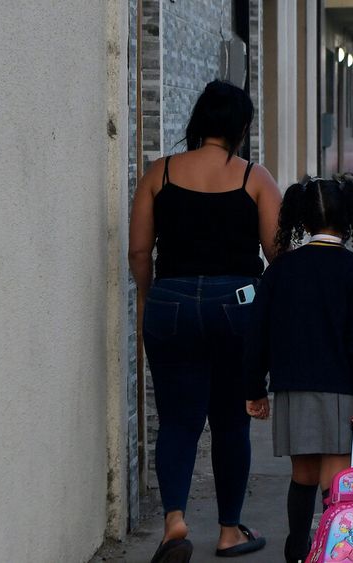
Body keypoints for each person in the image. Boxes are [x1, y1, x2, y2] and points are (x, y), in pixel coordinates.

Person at [129, 80, 282, 563]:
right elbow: (277, 254)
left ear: (199, 121)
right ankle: (229, 531)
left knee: (177, 420)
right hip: (237, 305)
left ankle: (174, 521)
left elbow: (139, 252)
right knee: (232, 422)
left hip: (171, 301)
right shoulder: (254, 178)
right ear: (241, 127)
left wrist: (150, 297)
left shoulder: (159, 173)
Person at [243, 176, 353, 563]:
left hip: (293, 389)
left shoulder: (280, 270)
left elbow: (258, 334)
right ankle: (333, 553)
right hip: (341, 390)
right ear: (350, 218)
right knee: (334, 483)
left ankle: (297, 549)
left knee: (303, 477)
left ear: (302, 220)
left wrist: (255, 389)